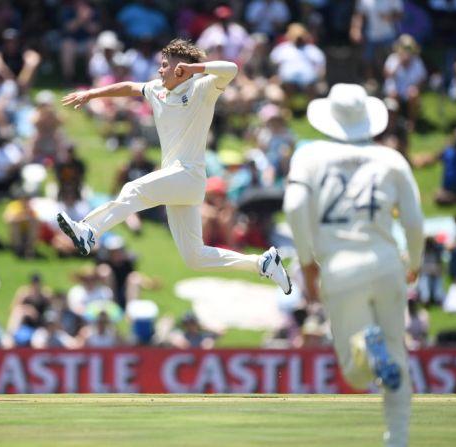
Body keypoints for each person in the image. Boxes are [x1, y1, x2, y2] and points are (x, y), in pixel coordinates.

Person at [60, 38, 291, 293]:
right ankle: (263, 263)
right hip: (178, 182)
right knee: (194, 257)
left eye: (165, 65)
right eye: (160, 64)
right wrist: (92, 93)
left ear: (181, 69)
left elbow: (231, 69)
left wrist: (195, 70)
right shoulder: (157, 89)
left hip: (188, 175)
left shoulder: (202, 88)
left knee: (133, 190)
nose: (160, 70)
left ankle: (89, 230)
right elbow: (129, 87)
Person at [284, 83, 424, 447]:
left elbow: (295, 207)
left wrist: (307, 263)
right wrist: (415, 263)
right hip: (386, 262)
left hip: (339, 267)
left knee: (356, 375)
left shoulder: (309, 156)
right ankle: (398, 440)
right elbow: (414, 222)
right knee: (397, 355)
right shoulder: (392, 159)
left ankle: (365, 348)